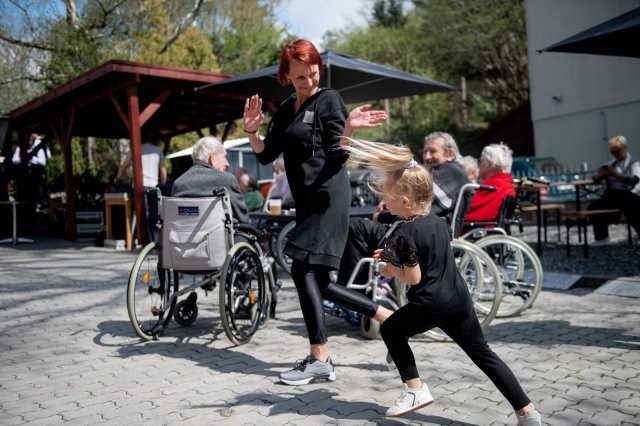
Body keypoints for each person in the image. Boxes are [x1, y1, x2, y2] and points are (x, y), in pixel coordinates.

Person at [342, 138, 542, 424]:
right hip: (459, 300)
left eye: (388, 197)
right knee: (484, 354)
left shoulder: (403, 234)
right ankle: (527, 412)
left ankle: (415, 389)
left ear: (405, 201)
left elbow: (414, 278)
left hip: (431, 303)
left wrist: (389, 268)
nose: (384, 202)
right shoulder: (439, 222)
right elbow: (430, 256)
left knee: (392, 330)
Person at [242, 38, 393, 386]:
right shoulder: (286, 109)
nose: (308, 81)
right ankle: (387, 317)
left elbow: (338, 156)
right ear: (286, 77)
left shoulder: (329, 100)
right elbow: (265, 155)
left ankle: (320, 358)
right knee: (321, 282)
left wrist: (349, 128)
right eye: (300, 77)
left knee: (301, 269)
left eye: (313, 73)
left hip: (328, 198)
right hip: (307, 203)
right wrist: (251, 130)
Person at [336, 131, 471, 288]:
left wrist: (382, 215)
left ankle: (350, 291)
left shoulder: (450, 172)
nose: (427, 156)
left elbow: (416, 206)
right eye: (425, 151)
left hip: (414, 233)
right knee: (361, 228)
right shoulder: (452, 173)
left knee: (356, 227)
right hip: (425, 233)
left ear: (450, 153)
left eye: (433, 151)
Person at [171, 136, 249, 225]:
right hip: (220, 234)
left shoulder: (178, 184)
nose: (227, 163)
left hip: (185, 234)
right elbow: (243, 219)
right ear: (213, 157)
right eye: (224, 157)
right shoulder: (227, 180)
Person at [588, 135, 640, 245]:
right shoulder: (611, 164)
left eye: (618, 152)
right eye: (613, 153)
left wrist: (616, 175)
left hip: (629, 194)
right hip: (612, 195)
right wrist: (600, 176)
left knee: (633, 210)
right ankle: (602, 237)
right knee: (594, 207)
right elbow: (595, 179)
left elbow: (633, 180)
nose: (616, 155)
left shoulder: (634, 163)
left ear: (624, 149)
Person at [114, 140, 168, 240]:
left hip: (139, 185)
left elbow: (124, 165)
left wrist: (118, 178)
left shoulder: (135, 149)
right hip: (153, 185)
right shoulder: (157, 150)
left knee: (139, 212)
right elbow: (163, 169)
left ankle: (138, 239)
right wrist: (163, 185)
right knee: (154, 212)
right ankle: (154, 239)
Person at [464, 143, 516, 223]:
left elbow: (464, 209)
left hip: (479, 227)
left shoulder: (493, 187)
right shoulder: (506, 184)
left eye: (480, 161)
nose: (478, 164)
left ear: (489, 165)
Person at [12, 133, 51, 210]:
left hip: (36, 175)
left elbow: (42, 161)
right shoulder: (21, 147)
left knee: (36, 191)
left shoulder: (38, 145)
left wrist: (30, 159)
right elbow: (14, 160)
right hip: (24, 178)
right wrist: (22, 159)